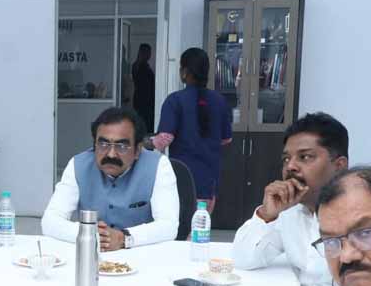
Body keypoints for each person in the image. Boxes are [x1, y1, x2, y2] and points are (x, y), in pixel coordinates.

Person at [231, 113, 352, 286]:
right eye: (286, 159)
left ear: (339, 165)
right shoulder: (290, 210)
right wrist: (267, 215)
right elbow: (243, 260)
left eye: (305, 157)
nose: (291, 167)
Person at [42, 107, 178, 252]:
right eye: (103, 144)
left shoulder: (158, 166)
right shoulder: (78, 165)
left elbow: (168, 225)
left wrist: (124, 238)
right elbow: (50, 221)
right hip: (91, 255)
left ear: (137, 150)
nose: (111, 154)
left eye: (122, 146)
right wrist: (91, 233)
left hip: (141, 254)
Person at [152, 47, 232, 212]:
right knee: (202, 224)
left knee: (182, 225)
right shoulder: (220, 100)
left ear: (185, 72)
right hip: (209, 178)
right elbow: (226, 139)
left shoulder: (175, 100)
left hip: (183, 179)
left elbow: (164, 139)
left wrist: (143, 144)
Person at [131, 43, 156, 134]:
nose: (150, 55)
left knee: (145, 124)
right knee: (146, 125)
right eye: (148, 52)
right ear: (143, 53)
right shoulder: (140, 66)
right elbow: (146, 85)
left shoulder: (140, 66)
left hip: (143, 100)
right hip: (144, 101)